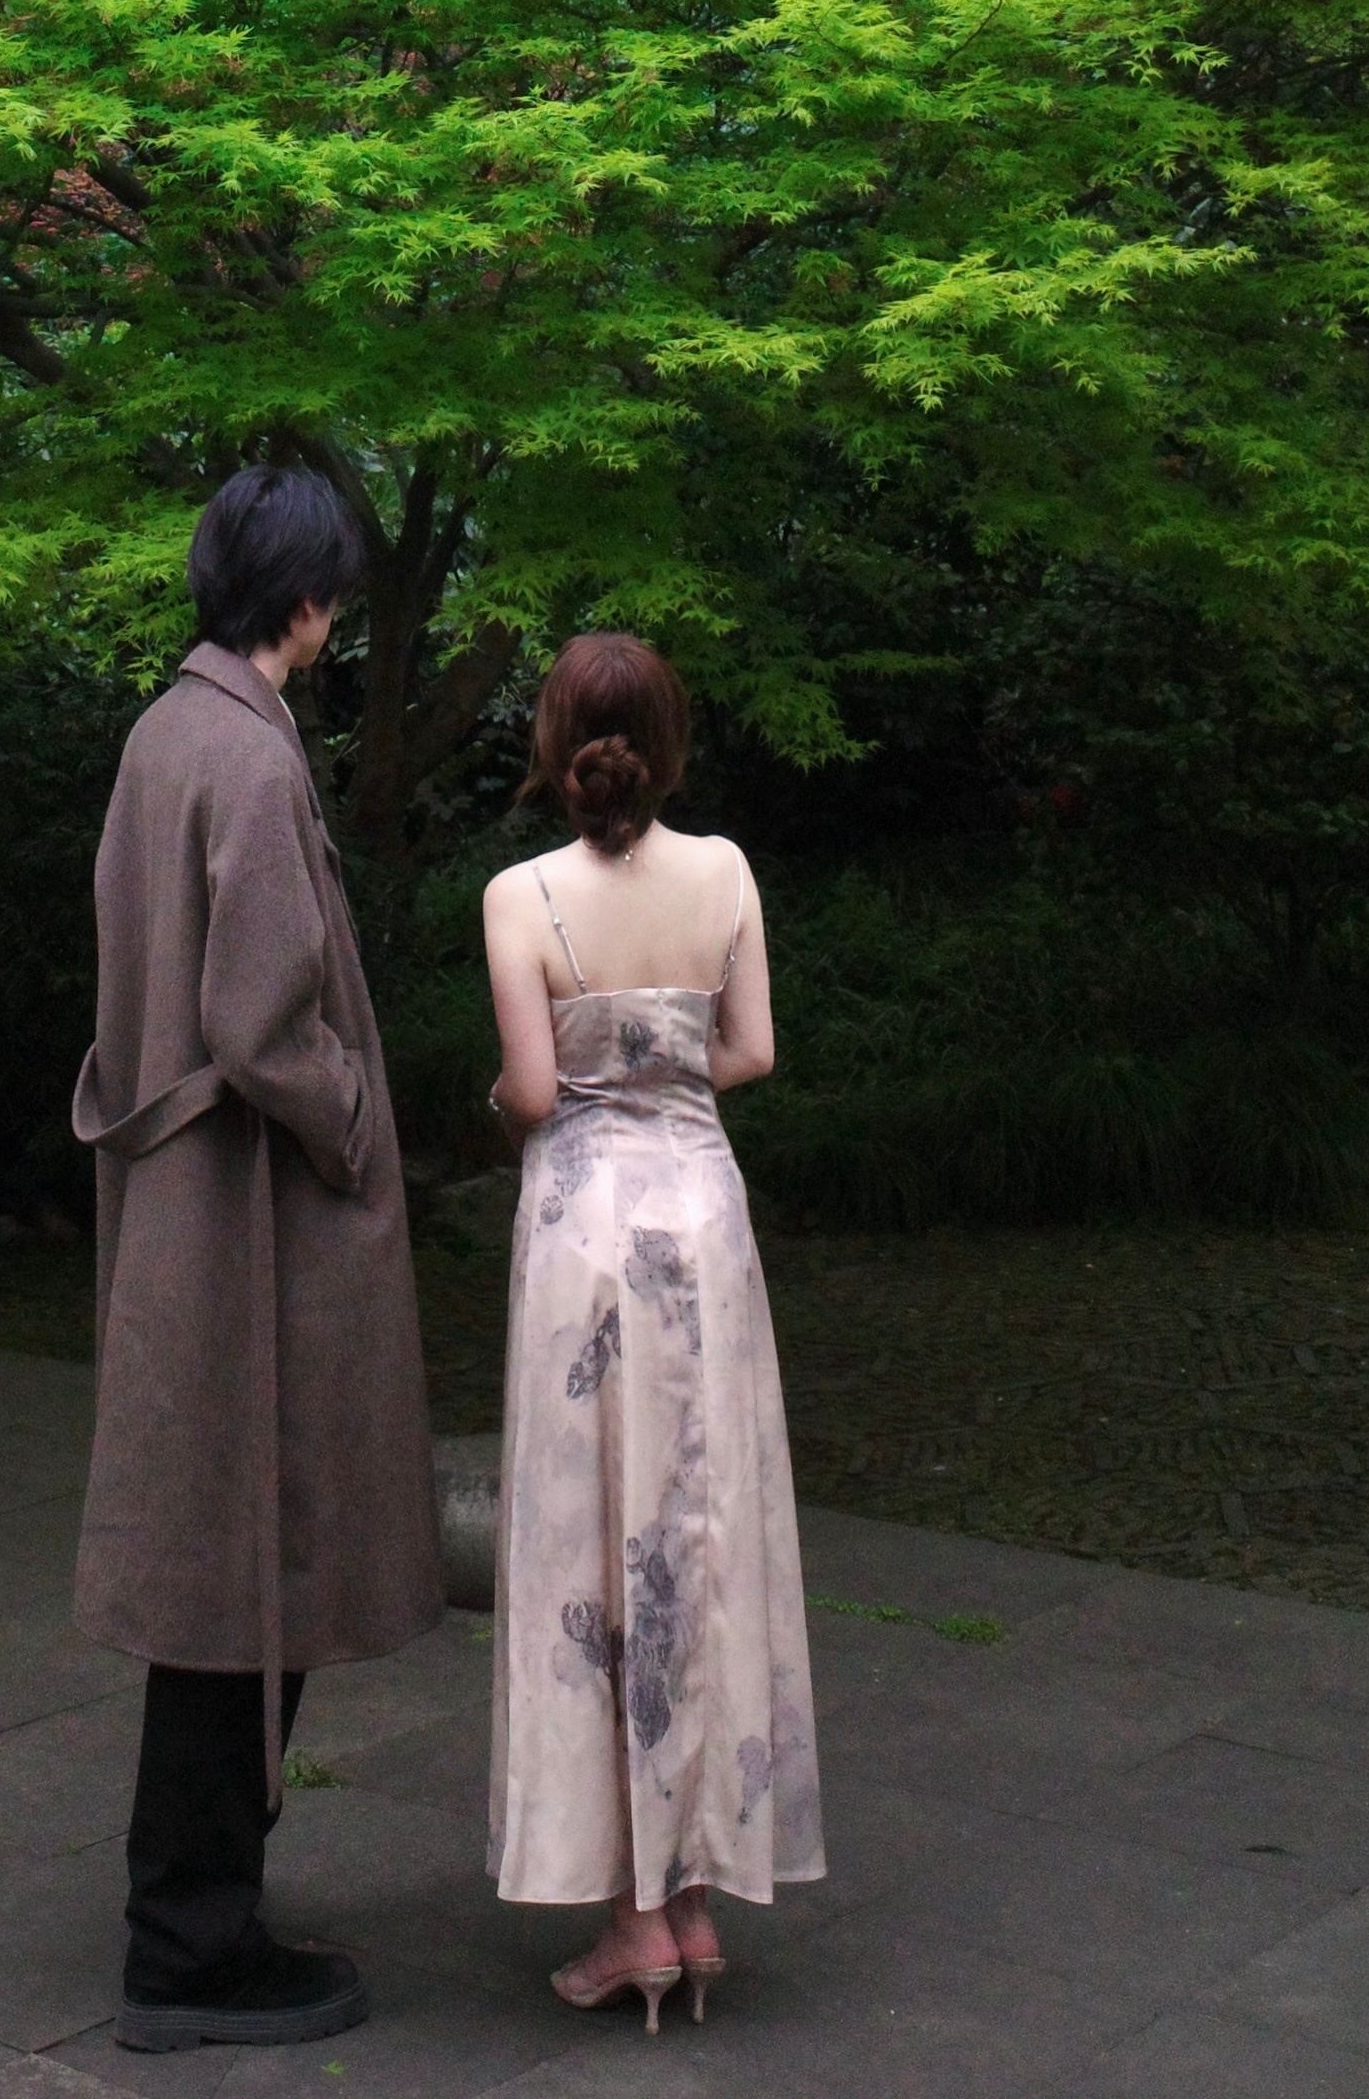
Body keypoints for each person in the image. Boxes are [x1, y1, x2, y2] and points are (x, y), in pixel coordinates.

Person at [73, 466, 442, 2054]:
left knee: (217, 1564)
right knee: (245, 1569)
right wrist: (351, 1117)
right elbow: (259, 1021)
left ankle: (191, 1914)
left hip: (185, 1211)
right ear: (306, 599)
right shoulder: (248, 752)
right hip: (245, 1222)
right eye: (332, 589)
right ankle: (189, 1944)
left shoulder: (167, 732)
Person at [481, 631, 824, 2029]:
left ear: (555, 746)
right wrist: (665, 1069)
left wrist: (527, 1098)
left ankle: (632, 1919)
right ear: (668, 746)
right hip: (703, 1231)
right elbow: (750, 1052)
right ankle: (694, 1899)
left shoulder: (519, 897)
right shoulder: (727, 871)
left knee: (592, 1553)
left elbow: (529, 1091)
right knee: (700, 1540)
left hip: (583, 1243)